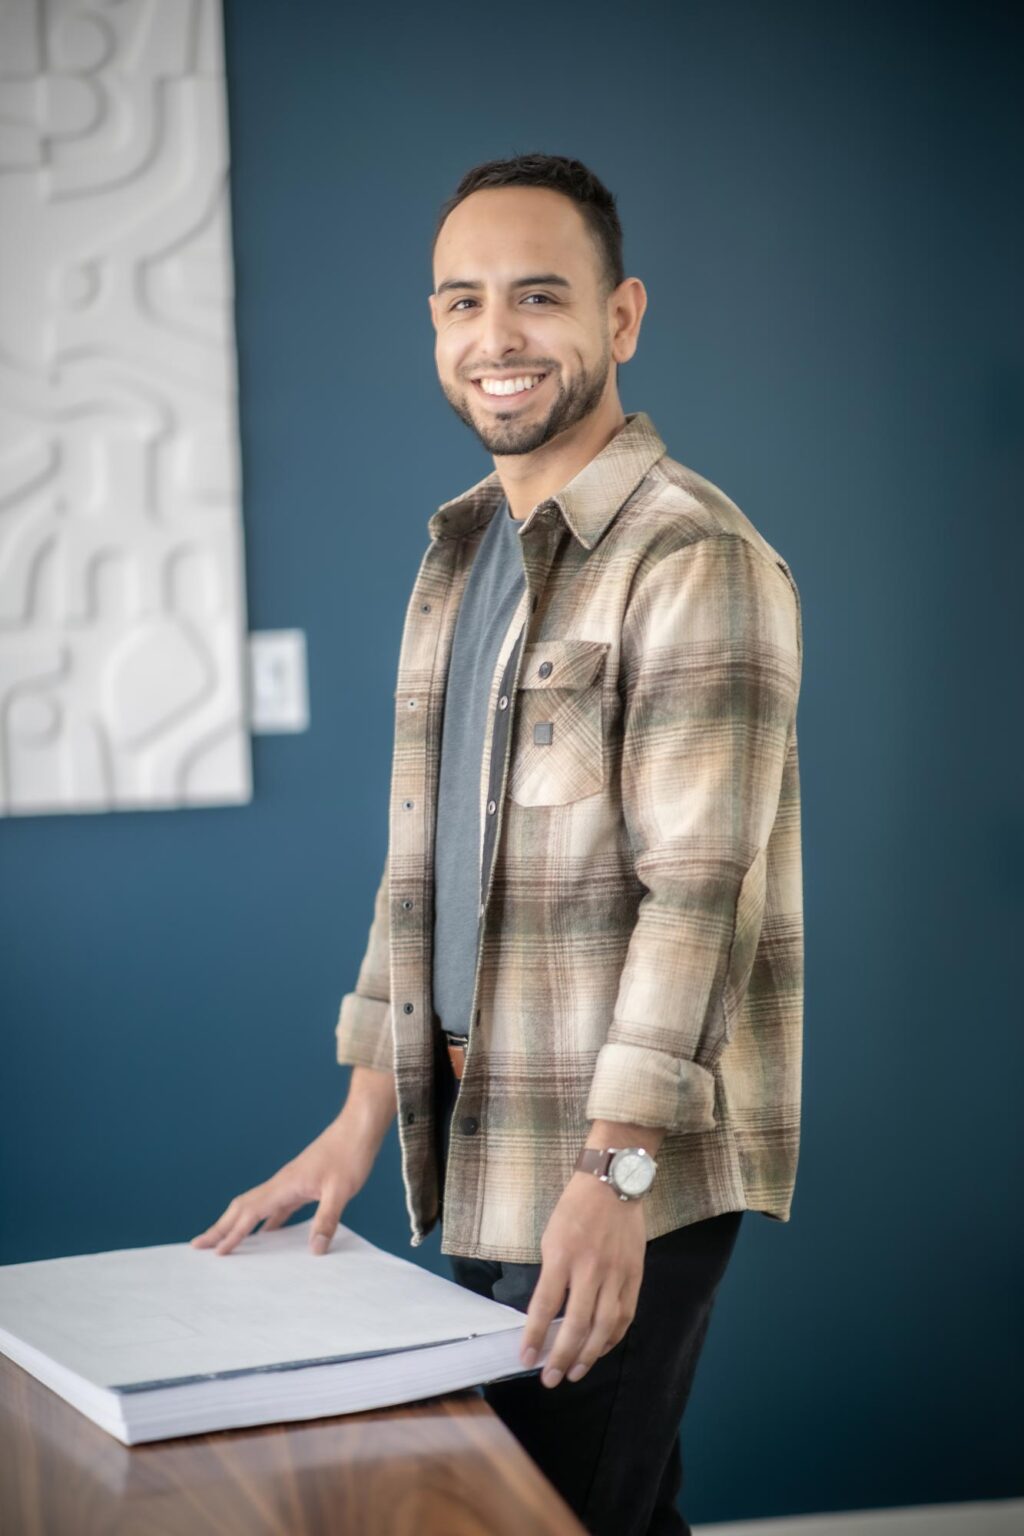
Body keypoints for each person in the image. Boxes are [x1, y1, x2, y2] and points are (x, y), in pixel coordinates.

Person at [191, 152, 805, 1536]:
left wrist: (614, 1176)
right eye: (461, 302)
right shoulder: (461, 555)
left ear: (622, 316)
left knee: (543, 1515)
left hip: (611, 1160)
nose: (497, 336)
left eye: (539, 296)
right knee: (596, 1510)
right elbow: (421, 860)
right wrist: (362, 1114)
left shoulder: (692, 555)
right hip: (482, 1131)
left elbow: (699, 894)